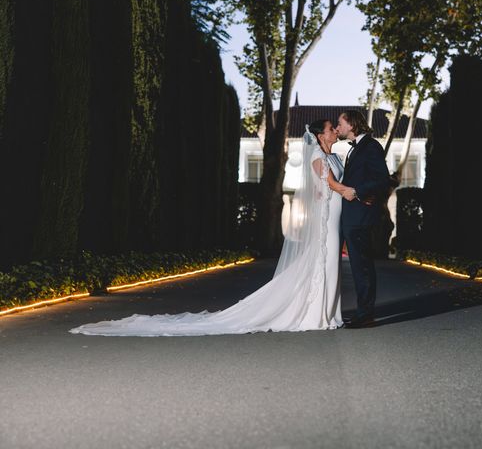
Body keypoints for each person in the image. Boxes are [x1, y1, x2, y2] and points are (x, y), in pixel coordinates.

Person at [69, 119, 355, 336]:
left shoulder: (332, 155)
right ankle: (316, 315)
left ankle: (328, 313)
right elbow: (328, 184)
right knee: (324, 263)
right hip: (326, 220)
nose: (333, 131)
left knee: (328, 265)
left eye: (333, 128)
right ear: (320, 134)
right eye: (330, 128)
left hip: (331, 216)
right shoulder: (318, 156)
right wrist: (345, 191)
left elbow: (322, 188)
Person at [336, 110, 390, 328]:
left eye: (340, 123)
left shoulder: (370, 146)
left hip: (360, 215)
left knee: (362, 266)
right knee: (359, 265)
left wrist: (357, 191)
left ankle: (365, 314)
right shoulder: (357, 148)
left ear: (351, 124)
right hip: (353, 215)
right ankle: (363, 311)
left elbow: (382, 179)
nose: (338, 128)